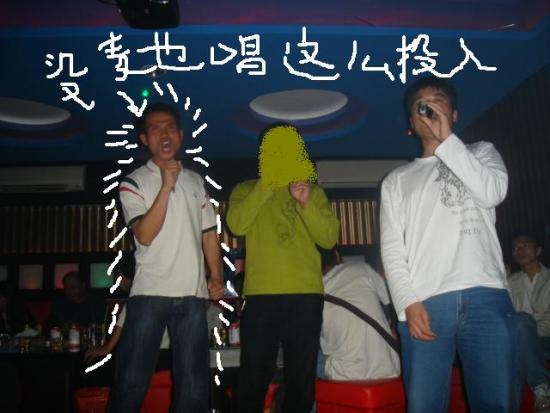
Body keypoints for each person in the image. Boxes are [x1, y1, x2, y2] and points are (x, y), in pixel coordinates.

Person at [380, 76, 517, 413]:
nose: (428, 108)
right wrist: (407, 303)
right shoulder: (396, 180)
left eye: (437, 101)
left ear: (454, 114)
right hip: (425, 301)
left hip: (486, 294)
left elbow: (492, 193)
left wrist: (447, 142)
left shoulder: (482, 152)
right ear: (411, 123)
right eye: (420, 106)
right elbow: (392, 249)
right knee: (423, 406)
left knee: (496, 404)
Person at [108, 102, 224, 413]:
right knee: (131, 382)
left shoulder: (196, 181)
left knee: (194, 386)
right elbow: (145, 234)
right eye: (155, 129)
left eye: (170, 127)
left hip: (193, 295)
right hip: (149, 293)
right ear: (144, 139)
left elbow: (209, 234)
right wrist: (166, 186)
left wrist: (216, 276)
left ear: (181, 134)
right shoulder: (132, 182)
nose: (164, 134)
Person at [227, 124, 340, 413]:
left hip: (305, 294)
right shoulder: (245, 188)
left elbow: (329, 238)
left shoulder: (313, 191)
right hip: (261, 294)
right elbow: (236, 224)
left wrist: (305, 202)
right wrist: (267, 184)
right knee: (253, 376)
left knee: (301, 378)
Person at [317, 248, 400, 380]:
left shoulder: (313, 293)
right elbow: (390, 303)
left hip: (344, 373)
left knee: (299, 354)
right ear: (337, 255)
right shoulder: (363, 268)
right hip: (390, 367)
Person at [508, 234, 550, 413]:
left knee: (521, 320)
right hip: (519, 341)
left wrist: (527, 333)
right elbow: (505, 314)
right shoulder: (510, 282)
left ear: (538, 250)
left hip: (545, 338)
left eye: (525, 245)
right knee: (517, 351)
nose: (520, 250)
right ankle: (541, 392)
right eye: (516, 248)